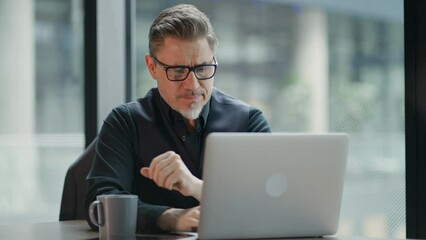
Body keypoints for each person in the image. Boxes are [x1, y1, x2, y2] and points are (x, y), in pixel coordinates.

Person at [85, 4, 271, 233]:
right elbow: (100, 205)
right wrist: (167, 218)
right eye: (177, 71)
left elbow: (267, 204)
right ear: (152, 67)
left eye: (203, 69)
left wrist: (195, 186)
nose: (192, 85)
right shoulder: (125, 122)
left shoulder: (249, 122)